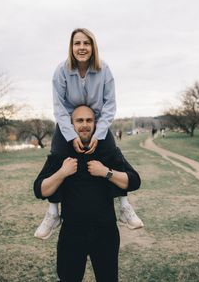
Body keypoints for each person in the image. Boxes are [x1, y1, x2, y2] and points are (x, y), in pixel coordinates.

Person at [34, 28, 143, 239]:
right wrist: (70, 135)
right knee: (57, 156)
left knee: (113, 154)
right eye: (77, 43)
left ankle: (124, 206)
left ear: (93, 47)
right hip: (69, 123)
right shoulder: (61, 71)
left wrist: (99, 134)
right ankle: (53, 212)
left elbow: (110, 105)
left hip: (97, 123)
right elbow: (59, 108)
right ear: (71, 47)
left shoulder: (104, 70)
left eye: (86, 43)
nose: (82, 47)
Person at [34, 106, 141, 282]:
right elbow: (40, 190)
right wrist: (62, 173)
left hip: (105, 233)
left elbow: (134, 181)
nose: (85, 125)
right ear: (70, 125)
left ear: (96, 123)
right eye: (79, 120)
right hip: (72, 234)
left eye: (89, 120)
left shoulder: (108, 152)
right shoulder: (62, 154)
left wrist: (106, 172)